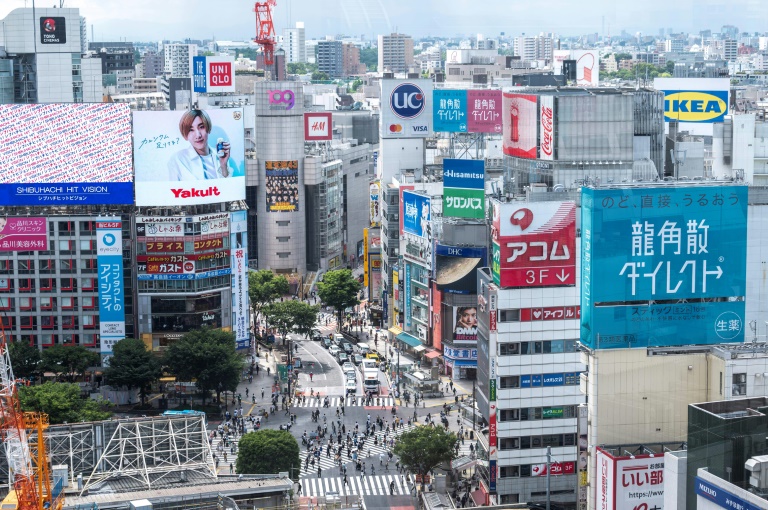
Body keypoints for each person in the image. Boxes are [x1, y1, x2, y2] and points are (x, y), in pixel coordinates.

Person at [167, 109, 236, 181]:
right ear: (185, 134)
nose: (198, 135)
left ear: (208, 128)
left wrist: (223, 165)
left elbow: (227, 188)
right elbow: (173, 190)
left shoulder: (219, 155)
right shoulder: (178, 159)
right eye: (191, 130)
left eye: (201, 127)